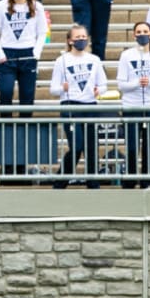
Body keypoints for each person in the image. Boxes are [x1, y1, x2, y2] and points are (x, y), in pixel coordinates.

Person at [49, 24, 107, 189]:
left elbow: (103, 84)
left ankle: (92, 181)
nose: (81, 40)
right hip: (70, 105)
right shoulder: (62, 60)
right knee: (77, 145)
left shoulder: (94, 59)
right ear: (69, 40)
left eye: (84, 37)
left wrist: (98, 90)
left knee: (91, 146)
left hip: (90, 105)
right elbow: (53, 89)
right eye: (77, 37)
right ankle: (61, 180)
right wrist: (62, 88)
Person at [116, 22, 150, 189]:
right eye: (138, 32)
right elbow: (121, 85)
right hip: (131, 107)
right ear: (134, 35)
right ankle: (130, 179)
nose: (142, 34)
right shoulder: (126, 55)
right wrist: (136, 83)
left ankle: (147, 180)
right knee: (132, 147)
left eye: (145, 31)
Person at [0, 0, 47, 118]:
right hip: (7, 55)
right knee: (6, 91)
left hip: (28, 54)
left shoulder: (37, 7)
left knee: (27, 96)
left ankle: (25, 130)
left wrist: (36, 53)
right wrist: (0, 54)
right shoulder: (2, 5)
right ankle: (5, 127)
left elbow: (42, 32)